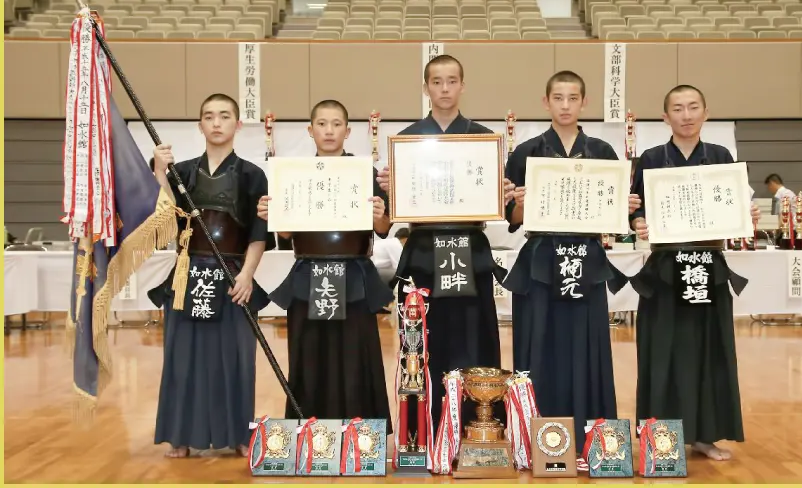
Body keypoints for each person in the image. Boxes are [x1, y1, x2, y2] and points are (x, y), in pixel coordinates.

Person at [502, 70, 641, 450]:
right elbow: (512, 219)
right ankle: (536, 437)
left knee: (587, 344)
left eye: (573, 98)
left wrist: (624, 208)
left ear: (584, 102)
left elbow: (619, 220)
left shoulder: (602, 152)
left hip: (587, 258)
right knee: (538, 343)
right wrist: (519, 205)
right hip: (541, 260)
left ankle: (592, 435)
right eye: (558, 98)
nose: (565, 105)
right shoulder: (525, 152)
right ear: (546, 102)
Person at [375, 54, 511, 433]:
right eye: (437, 81)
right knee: (424, 342)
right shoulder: (406, 142)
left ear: (463, 85)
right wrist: (391, 190)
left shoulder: (484, 139)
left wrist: (501, 194)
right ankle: (423, 428)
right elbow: (384, 222)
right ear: (426, 87)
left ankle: (478, 424)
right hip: (424, 254)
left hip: (470, 250)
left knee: (475, 338)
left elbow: (505, 209)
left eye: (452, 81)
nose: (445, 88)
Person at [629, 85, 760, 461]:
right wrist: (637, 220)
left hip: (708, 267)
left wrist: (746, 216)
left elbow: (736, 207)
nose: (686, 115)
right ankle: (662, 436)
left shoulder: (721, 156)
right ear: (665, 117)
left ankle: (705, 434)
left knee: (709, 350)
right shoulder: (651, 159)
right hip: (666, 270)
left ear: (705, 112)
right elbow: (635, 212)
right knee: (662, 351)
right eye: (677, 108)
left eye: (693, 107)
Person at [256, 99, 394, 433]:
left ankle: (363, 434)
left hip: (354, 273)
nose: (329, 130)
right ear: (310, 130)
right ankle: (309, 431)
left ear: (348, 131)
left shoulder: (368, 174)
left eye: (336, 124)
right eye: (321, 124)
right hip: (308, 272)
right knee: (309, 356)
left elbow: (384, 229)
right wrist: (271, 215)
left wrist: (381, 215)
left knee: (356, 355)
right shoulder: (293, 176)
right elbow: (286, 232)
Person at [149, 93, 272, 458]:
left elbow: (258, 234)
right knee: (183, 357)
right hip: (187, 275)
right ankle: (181, 435)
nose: (216, 123)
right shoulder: (181, 171)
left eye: (224, 116)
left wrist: (247, 276)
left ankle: (237, 433)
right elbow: (161, 221)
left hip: (232, 276)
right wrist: (160, 175)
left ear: (237, 124)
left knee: (235, 357)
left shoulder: (253, 175)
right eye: (209, 116)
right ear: (200, 125)